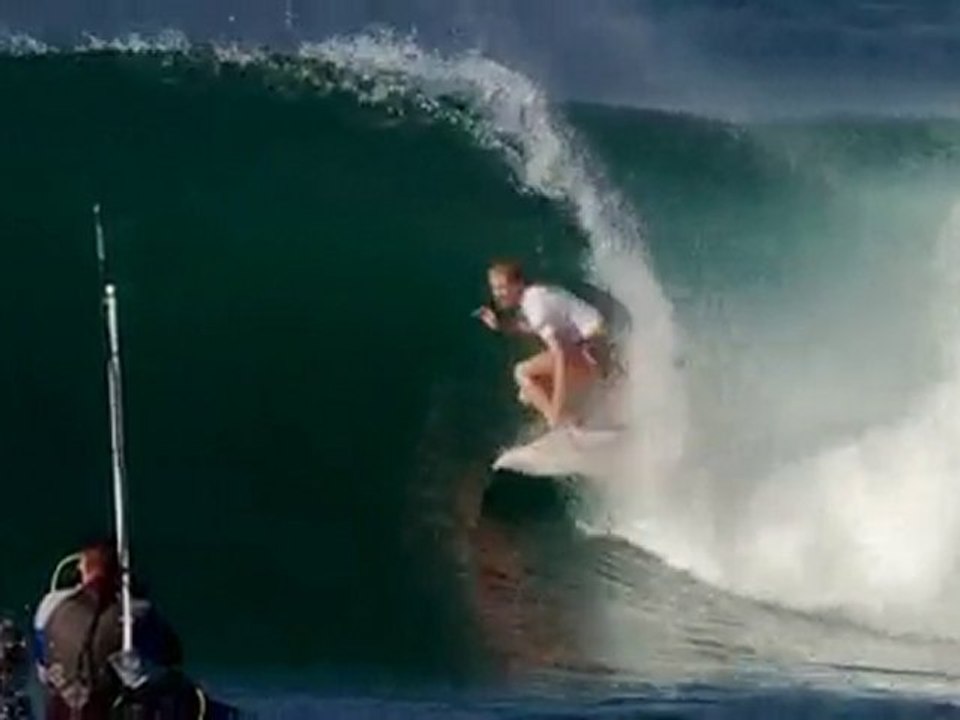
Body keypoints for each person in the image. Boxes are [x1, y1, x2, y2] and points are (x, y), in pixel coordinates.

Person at [33, 540, 183, 720]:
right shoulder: (135, 612)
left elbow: (42, 664)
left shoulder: (50, 605)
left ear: (84, 569)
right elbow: (172, 655)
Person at [477, 261, 612, 429]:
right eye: (494, 288)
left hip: (594, 354)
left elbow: (560, 355)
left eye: (502, 288)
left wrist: (556, 408)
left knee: (522, 373)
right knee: (527, 394)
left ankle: (560, 420)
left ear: (518, 284)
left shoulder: (535, 306)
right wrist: (502, 326)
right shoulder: (536, 295)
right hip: (599, 348)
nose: (497, 294)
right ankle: (573, 420)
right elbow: (535, 328)